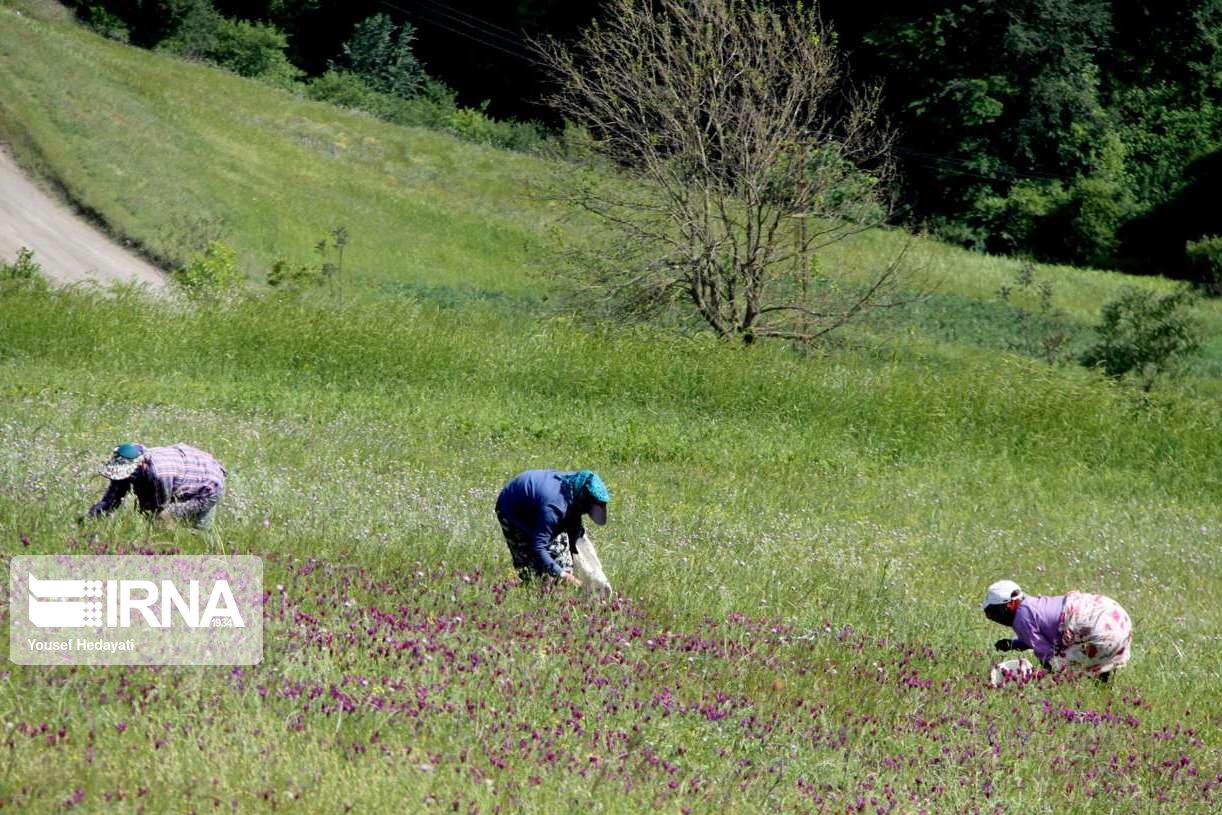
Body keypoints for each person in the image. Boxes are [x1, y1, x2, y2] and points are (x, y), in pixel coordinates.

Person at [981, 579, 1132, 681]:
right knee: (1099, 662)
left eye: (992, 613)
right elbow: (1045, 632)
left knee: (1063, 666)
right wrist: (1014, 644)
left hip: (1101, 632)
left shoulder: (1021, 619)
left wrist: (1044, 678)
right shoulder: (1031, 605)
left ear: (1010, 605)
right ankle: (1103, 695)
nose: (991, 618)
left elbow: (1046, 654)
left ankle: (1090, 702)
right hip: (1116, 618)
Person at [495, 469, 610, 586]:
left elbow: (573, 518)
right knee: (533, 572)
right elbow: (538, 547)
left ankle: (557, 582)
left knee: (563, 562)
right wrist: (564, 576)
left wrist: (574, 547)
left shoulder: (575, 485)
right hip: (512, 511)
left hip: (538, 504)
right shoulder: (554, 507)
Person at [87, 442, 227, 529]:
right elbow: (111, 499)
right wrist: (91, 518)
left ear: (140, 464)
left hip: (208, 483)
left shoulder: (159, 475)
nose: (123, 477)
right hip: (187, 470)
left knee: (165, 518)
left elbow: (157, 510)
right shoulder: (127, 462)